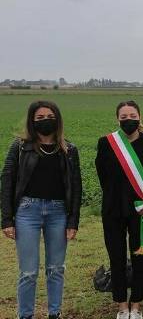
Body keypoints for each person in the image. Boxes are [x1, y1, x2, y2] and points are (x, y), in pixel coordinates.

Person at [1, 100, 82, 319]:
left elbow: (76, 187)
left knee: (56, 269)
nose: (46, 121)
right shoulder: (19, 147)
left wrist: (73, 221)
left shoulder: (69, 149)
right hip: (27, 212)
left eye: (50, 117)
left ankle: (54, 313)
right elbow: (7, 181)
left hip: (58, 214)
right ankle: (25, 315)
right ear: (31, 121)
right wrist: (7, 219)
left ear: (57, 119)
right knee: (28, 272)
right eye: (40, 118)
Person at [95, 101, 143, 319]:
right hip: (113, 210)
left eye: (132, 115)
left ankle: (137, 305)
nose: (128, 119)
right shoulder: (106, 143)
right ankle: (122, 306)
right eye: (123, 116)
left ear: (140, 117)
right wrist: (117, 195)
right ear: (117, 119)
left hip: (141, 211)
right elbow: (102, 175)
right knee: (117, 257)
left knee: (141, 256)